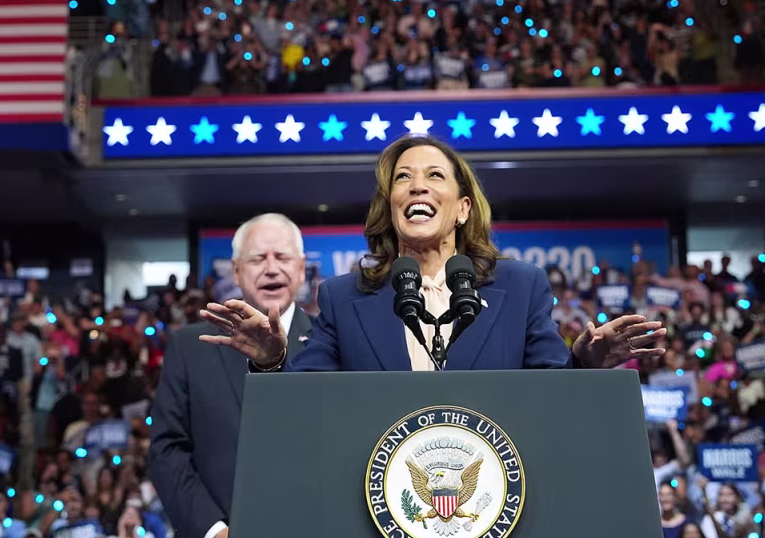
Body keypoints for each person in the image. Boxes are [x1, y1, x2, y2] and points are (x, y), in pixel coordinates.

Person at [200, 135, 667, 372]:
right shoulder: (344, 297)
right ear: (391, 205)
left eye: (434, 176)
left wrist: (583, 364)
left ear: (463, 209)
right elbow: (307, 408)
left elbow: (549, 397)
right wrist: (271, 360)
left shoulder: (521, 286)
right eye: (402, 178)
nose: (417, 185)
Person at [148, 213, 314, 538]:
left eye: (282, 258)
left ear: (301, 269)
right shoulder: (190, 347)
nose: (272, 269)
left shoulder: (330, 344)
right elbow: (166, 451)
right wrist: (219, 536)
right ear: (236, 272)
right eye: (258, 258)